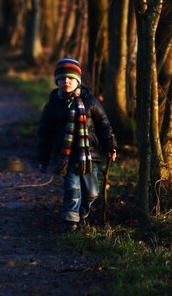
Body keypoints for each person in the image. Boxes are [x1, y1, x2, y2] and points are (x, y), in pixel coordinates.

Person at [37, 58, 117, 232]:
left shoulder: (91, 102)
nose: (66, 82)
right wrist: (43, 158)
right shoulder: (52, 106)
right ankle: (71, 221)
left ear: (78, 81)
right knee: (72, 189)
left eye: (71, 78)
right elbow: (45, 134)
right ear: (56, 81)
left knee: (91, 192)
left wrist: (111, 146)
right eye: (62, 79)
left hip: (90, 156)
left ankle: (82, 215)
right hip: (67, 156)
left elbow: (104, 125)